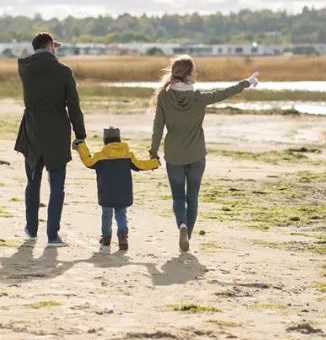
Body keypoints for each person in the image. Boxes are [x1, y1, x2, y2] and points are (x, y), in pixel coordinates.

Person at [149, 56, 258, 251]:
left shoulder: (164, 97)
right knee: (192, 198)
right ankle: (187, 236)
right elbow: (223, 93)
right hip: (196, 155)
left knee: (177, 199)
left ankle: (181, 226)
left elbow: (158, 127)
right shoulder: (199, 98)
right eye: (195, 71)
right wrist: (246, 83)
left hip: (173, 155)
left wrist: (153, 152)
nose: (197, 73)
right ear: (188, 75)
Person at [14, 32, 86, 246]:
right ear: (49, 46)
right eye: (54, 47)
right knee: (57, 187)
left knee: (32, 182)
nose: (56, 50)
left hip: (32, 130)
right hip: (56, 131)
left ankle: (31, 228)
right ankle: (53, 235)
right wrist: (80, 134)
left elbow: (39, 63)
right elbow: (73, 106)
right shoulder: (63, 71)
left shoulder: (24, 68)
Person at [76, 127, 160, 251]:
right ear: (119, 140)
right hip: (123, 192)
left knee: (106, 215)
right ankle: (122, 237)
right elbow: (140, 165)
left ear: (105, 141)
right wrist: (154, 163)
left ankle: (106, 238)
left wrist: (81, 145)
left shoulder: (99, 157)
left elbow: (88, 162)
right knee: (121, 214)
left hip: (106, 193)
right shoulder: (127, 156)